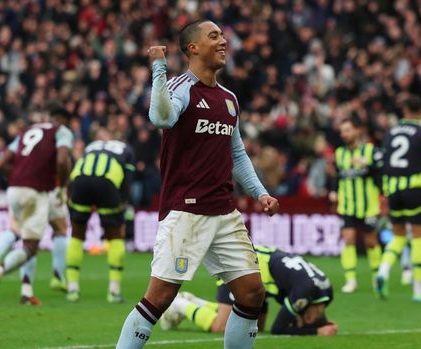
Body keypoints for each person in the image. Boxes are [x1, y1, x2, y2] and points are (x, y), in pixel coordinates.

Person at [115, 19, 280, 349]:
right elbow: (161, 118)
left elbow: (236, 153)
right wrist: (158, 68)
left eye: (222, 35)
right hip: (186, 212)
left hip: (223, 212)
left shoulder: (229, 99)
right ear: (193, 47)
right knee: (160, 297)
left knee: (252, 293)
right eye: (214, 36)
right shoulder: (180, 88)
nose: (223, 41)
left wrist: (260, 192)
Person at [0, 106, 73, 305]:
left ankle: (25, 290)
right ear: (64, 120)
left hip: (14, 189)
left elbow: (2, 162)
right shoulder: (61, 131)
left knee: (23, 236)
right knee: (35, 243)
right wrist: (63, 187)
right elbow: (63, 160)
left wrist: (18, 176)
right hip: (40, 191)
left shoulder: (27, 131)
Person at [160, 245, 337, 336]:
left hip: (264, 278)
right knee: (221, 327)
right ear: (310, 316)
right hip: (244, 265)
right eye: (299, 319)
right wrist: (315, 331)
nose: (295, 318)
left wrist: (324, 325)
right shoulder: (304, 294)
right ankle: (178, 304)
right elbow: (278, 328)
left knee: (255, 327)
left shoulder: (326, 292)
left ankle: (196, 302)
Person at [375, 96, 421, 303]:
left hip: (394, 191)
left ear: (404, 111)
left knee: (398, 236)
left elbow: (381, 165)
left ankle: (383, 270)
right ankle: (419, 290)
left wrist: (383, 191)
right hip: (414, 190)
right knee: (419, 239)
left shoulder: (390, 133)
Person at [65, 128, 135, 303]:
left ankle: (72, 289)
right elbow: (127, 181)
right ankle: (113, 291)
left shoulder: (92, 146)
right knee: (115, 237)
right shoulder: (127, 150)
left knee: (77, 234)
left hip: (80, 181)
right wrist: (122, 203)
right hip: (107, 182)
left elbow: (77, 166)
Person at [327, 117, 383, 293]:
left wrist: (369, 165)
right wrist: (333, 191)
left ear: (357, 131)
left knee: (371, 242)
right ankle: (350, 280)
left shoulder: (370, 151)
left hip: (369, 206)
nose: (344, 134)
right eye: (342, 131)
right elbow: (336, 176)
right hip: (347, 205)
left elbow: (383, 172)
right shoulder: (339, 154)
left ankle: (377, 278)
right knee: (348, 239)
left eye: (348, 130)